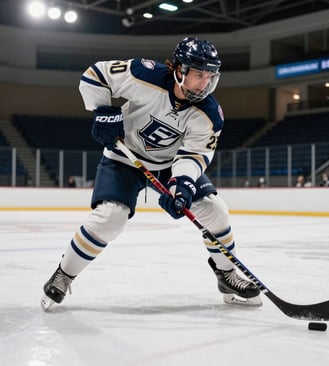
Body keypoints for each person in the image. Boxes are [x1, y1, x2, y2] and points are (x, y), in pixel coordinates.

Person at [40, 37, 262, 310]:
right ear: (179, 70)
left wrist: (182, 185)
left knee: (215, 211)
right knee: (110, 217)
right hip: (124, 158)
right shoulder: (144, 74)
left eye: (209, 76)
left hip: (169, 165)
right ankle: (64, 273)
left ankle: (226, 275)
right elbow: (96, 75)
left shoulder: (209, 114)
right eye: (198, 75)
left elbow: (194, 154)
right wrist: (101, 111)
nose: (204, 83)